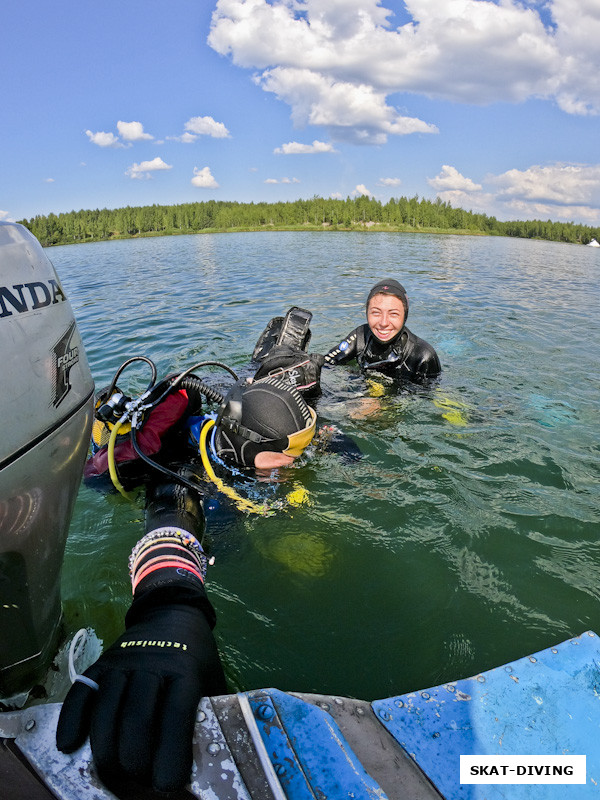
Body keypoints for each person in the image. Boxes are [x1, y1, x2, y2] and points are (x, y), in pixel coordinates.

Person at [56, 365, 317, 793]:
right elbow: (170, 522)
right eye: (287, 454)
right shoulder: (181, 465)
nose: (295, 463)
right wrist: (168, 607)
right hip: (192, 510)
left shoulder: (250, 449)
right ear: (245, 444)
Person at [324, 278, 441, 382]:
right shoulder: (360, 337)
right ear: (367, 313)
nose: (383, 323)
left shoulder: (423, 356)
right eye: (376, 313)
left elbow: (424, 399)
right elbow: (327, 363)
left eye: (393, 314)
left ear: (404, 317)